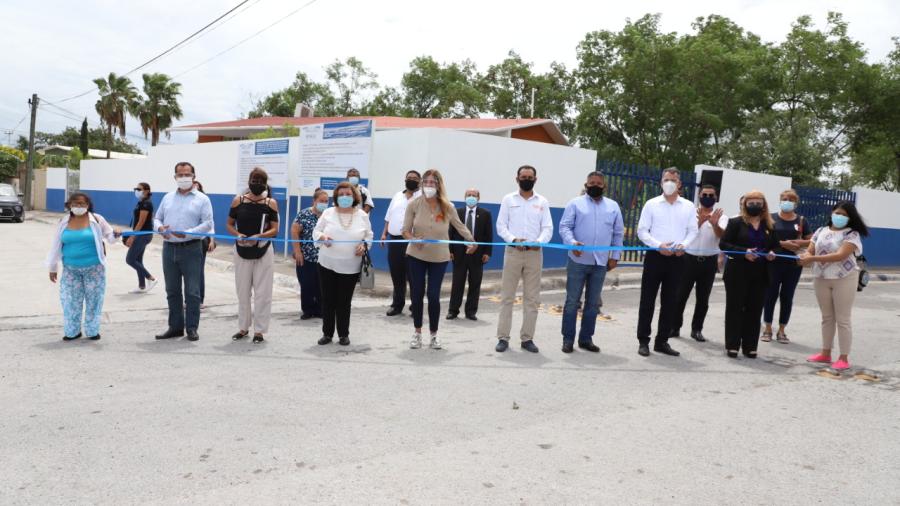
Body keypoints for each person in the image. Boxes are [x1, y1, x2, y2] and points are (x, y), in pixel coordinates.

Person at [402, 170, 476, 349]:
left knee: (434, 296)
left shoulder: (447, 206)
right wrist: (413, 239)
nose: (428, 185)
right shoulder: (413, 204)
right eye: (425, 182)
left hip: (439, 258)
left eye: (432, 182)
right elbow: (405, 230)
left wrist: (472, 241)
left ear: (439, 185)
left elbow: (460, 227)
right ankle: (417, 333)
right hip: (416, 255)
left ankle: (434, 335)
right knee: (417, 294)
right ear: (421, 184)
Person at [635, 168, 699, 357]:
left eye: (673, 180)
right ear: (661, 182)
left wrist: (683, 245)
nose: (669, 183)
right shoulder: (651, 204)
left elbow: (693, 231)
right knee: (647, 300)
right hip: (655, 257)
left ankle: (662, 341)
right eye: (666, 179)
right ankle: (643, 341)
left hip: (678, 259)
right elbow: (642, 231)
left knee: (670, 302)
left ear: (679, 184)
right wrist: (658, 245)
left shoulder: (688, 206)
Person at [558, 171, 624, 353]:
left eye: (598, 183)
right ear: (586, 185)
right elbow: (564, 227)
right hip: (578, 259)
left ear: (604, 186)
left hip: (601, 262)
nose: (595, 185)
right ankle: (568, 339)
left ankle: (586, 339)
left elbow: (618, 233)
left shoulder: (613, 206)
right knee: (572, 301)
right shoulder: (575, 203)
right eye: (591, 182)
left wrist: (615, 255)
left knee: (593, 303)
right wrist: (572, 243)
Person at [798, 201, 869, 370]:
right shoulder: (820, 231)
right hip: (821, 277)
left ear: (850, 218)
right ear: (831, 213)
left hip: (844, 278)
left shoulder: (852, 234)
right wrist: (805, 256)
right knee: (827, 318)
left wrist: (812, 259)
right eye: (838, 213)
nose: (840, 217)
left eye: (844, 215)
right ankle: (825, 353)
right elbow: (810, 250)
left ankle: (843, 358)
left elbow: (840, 255)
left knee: (843, 319)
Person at [494, 165, 553, 354]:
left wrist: (539, 242)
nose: (526, 179)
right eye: (523, 176)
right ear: (517, 178)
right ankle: (503, 338)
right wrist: (513, 239)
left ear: (535, 179)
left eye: (530, 176)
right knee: (507, 297)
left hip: (534, 254)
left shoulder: (542, 201)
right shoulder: (508, 199)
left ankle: (527, 338)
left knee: (532, 299)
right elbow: (501, 226)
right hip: (512, 252)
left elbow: (548, 228)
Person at [46, 193, 121, 341]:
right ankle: (72, 331)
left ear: (88, 205)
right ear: (69, 205)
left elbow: (110, 238)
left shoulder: (97, 219)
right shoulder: (63, 221)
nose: (78, 206)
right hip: (70, 270)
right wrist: (53, 267)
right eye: (75, 203)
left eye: (82, 204)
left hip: (94, 269)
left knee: (94, 301)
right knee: (70, 301)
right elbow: (56, 245)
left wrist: (116, 234)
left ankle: (92, 331)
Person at [153, 162, 215, 342]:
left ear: (194, 176)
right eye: (180, 175)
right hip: (169, 249)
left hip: (192, 249)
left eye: (187, 174)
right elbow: (157, 218)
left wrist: (189, 233)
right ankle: (175, 327)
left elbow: (208, 223)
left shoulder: (203, 199)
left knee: (192, 292)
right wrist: (160, 228)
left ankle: (192, 328)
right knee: (172, 290)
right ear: (175, 177)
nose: (183, 178)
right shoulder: (167, 198)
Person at [719, 191, 778, 358]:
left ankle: (750, 346)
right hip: (737, 272)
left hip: (761, 273)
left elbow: (777, 246)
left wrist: (772, 252)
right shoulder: (735, 222)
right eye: (751, 203)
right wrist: (743, 252)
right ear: (745, 205)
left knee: (754, 309)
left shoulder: (769, 226)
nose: (754, 206)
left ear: (764, 205)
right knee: (735, 308)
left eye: (758, 203)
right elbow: (724, 244)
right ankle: (732, 345)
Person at [312, 182, 373, 346]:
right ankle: (327, 333)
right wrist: (323, 238)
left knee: (344, 302)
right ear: (336, 197)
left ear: (354, 197)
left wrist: (364, 245)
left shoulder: (362, 215)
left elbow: (368, 236)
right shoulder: (328, 213)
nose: (345, 197)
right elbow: (316, 232)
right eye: (341, 194)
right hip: (327, 264)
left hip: (350, 266)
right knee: (328, 300)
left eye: (348, 194)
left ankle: (343, 334)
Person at [227, 168, 279, 344]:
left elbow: (275, 229)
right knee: (242, 291)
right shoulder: (238, 201)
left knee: (263, 293)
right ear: (248, 181)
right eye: (253, 180)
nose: (256, 184)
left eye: (260, 181)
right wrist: (237, 234)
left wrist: (260, 236)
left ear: (265, 184)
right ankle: (243, 327)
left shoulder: (270, 203)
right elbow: (229, 224)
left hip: (263, 250)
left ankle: (259, 331)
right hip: (241, 250)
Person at [671, 184, 728, 342]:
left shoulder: (721, 216)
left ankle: (697, 329)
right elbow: (683, 234)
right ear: (699, 195)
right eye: (705, 194)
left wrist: (714, 224)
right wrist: (700, 222)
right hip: (688, 259)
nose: (707, 198)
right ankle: (674, 327)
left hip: (709, 261)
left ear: (716, 198)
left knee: (703, 299)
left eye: (711, 195)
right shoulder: (690, 213)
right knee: (680, 295)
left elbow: (721, 236)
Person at [762, 189, 812, 344]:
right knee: (770, 295)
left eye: (790, 199)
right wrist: (783, 244)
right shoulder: (771, 218)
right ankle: (767, 328)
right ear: (779, 200)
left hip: (793, 265)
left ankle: (782, 330)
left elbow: (811, 240)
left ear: (795, 202)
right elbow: (763, 239)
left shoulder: (802, 220)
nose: (787, 201)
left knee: (787, 297)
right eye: (784, 198)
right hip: (772, 263)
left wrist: (797, 243)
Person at [447, 188, 492, 321]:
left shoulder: (485, 214)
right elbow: (450, 232)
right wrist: (449, 250)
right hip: (459, 253)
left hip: (477, 254)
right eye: (468, 195)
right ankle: (453, 310)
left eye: (474, 195)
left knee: (475, 283)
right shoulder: (457, 212)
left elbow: (488, 235)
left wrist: (487, 252)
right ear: (464, 197)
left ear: (478, 198)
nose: (471, 197)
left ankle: (471, 311)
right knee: (457, 283)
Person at [381, 170, 421, 316]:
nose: (411, 180)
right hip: (395, 240)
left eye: (415, 178)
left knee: (414, 276)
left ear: (420, 181)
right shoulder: (397, 196)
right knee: (397, 274)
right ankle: (397, 305)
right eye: (409, 178)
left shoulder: (423, 197)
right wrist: (384, 233)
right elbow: (388, 216)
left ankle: (415, 306)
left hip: (413, 241)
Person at [292, 188, 329, 320]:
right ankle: (307, 309)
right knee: (306, 284)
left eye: (326, 201)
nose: (324, 203)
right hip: (306, 256)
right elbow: (295, 231)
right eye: (321, 201)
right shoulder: (304, 214)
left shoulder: (329, 216)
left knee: (321, 285)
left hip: (324, 257)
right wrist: (297, 252)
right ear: (314, 201)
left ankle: (320, 309)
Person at [125, 182, 158, 293]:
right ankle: (142, 286)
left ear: (147, 191)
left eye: (139, 189)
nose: (137, 191)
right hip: (142, 234)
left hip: (142, 235)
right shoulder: (141, 202)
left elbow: (141, 221)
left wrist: (133, 236)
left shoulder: (146, 204)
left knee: (130, 260)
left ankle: (151, 278)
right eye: (136, 189)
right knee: (138, 260)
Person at [193, 180, 216, 309]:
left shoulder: (205, 202)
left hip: (201, 241)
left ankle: (200, 300)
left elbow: (210, 224)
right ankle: (189, 299)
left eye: (198, 187)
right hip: (188, 241)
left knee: (199, 271)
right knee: (188, 272)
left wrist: (211, 240)